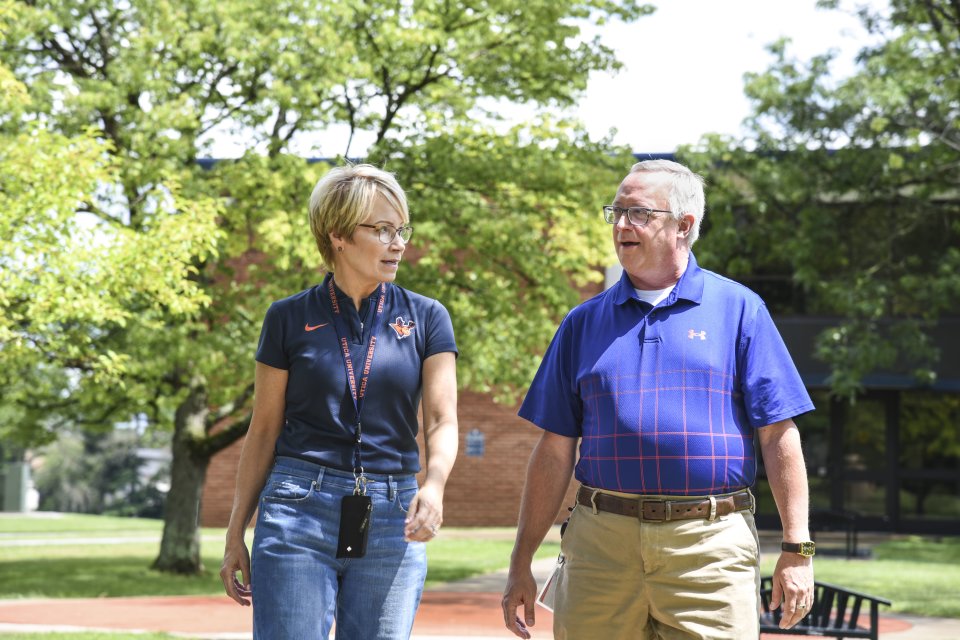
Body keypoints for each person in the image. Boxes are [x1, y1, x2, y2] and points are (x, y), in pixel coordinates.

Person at [501, 159, 815, 639]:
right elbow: (554, 449)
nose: (622, 225)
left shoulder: (740, 310)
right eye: (617, 212)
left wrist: (797, 549)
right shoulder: (581, 324)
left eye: (639, 213)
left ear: (684, 226)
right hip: (599, 547)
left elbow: (778, 435)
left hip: (709, 548)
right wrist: (521, 561)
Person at [220, 163, 459, 639]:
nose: (398, 242)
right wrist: (235, 533)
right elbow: (264, 429)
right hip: (297, 508)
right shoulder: (286, 318)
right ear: (338, 236)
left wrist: (432, 486)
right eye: (383, 229)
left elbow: (440, 419)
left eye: (401, 229)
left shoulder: (428, 317)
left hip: (394, 514)